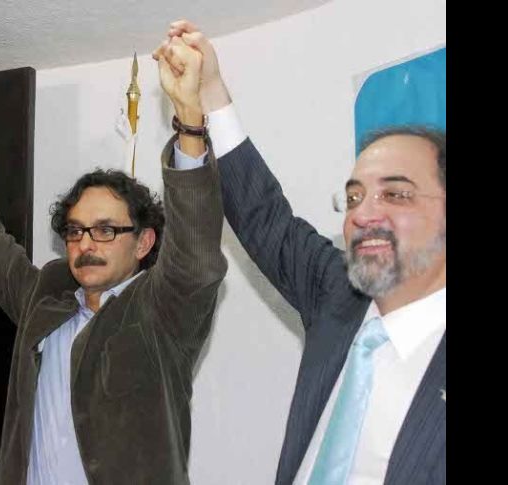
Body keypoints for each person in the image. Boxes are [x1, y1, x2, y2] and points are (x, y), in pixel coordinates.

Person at [0, 37, 227, 485]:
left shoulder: (162, 311)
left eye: (105, 230)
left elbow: (197, 257)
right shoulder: (46, 298)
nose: (86, 243)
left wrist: (190, 123)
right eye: (75, 230)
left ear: (144, 242)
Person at [155, 20, 446, 484]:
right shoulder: (338, 297)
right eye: (353, 197)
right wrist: (208, 90)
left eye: (395, 194)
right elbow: (263, 216)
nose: (364, 214)